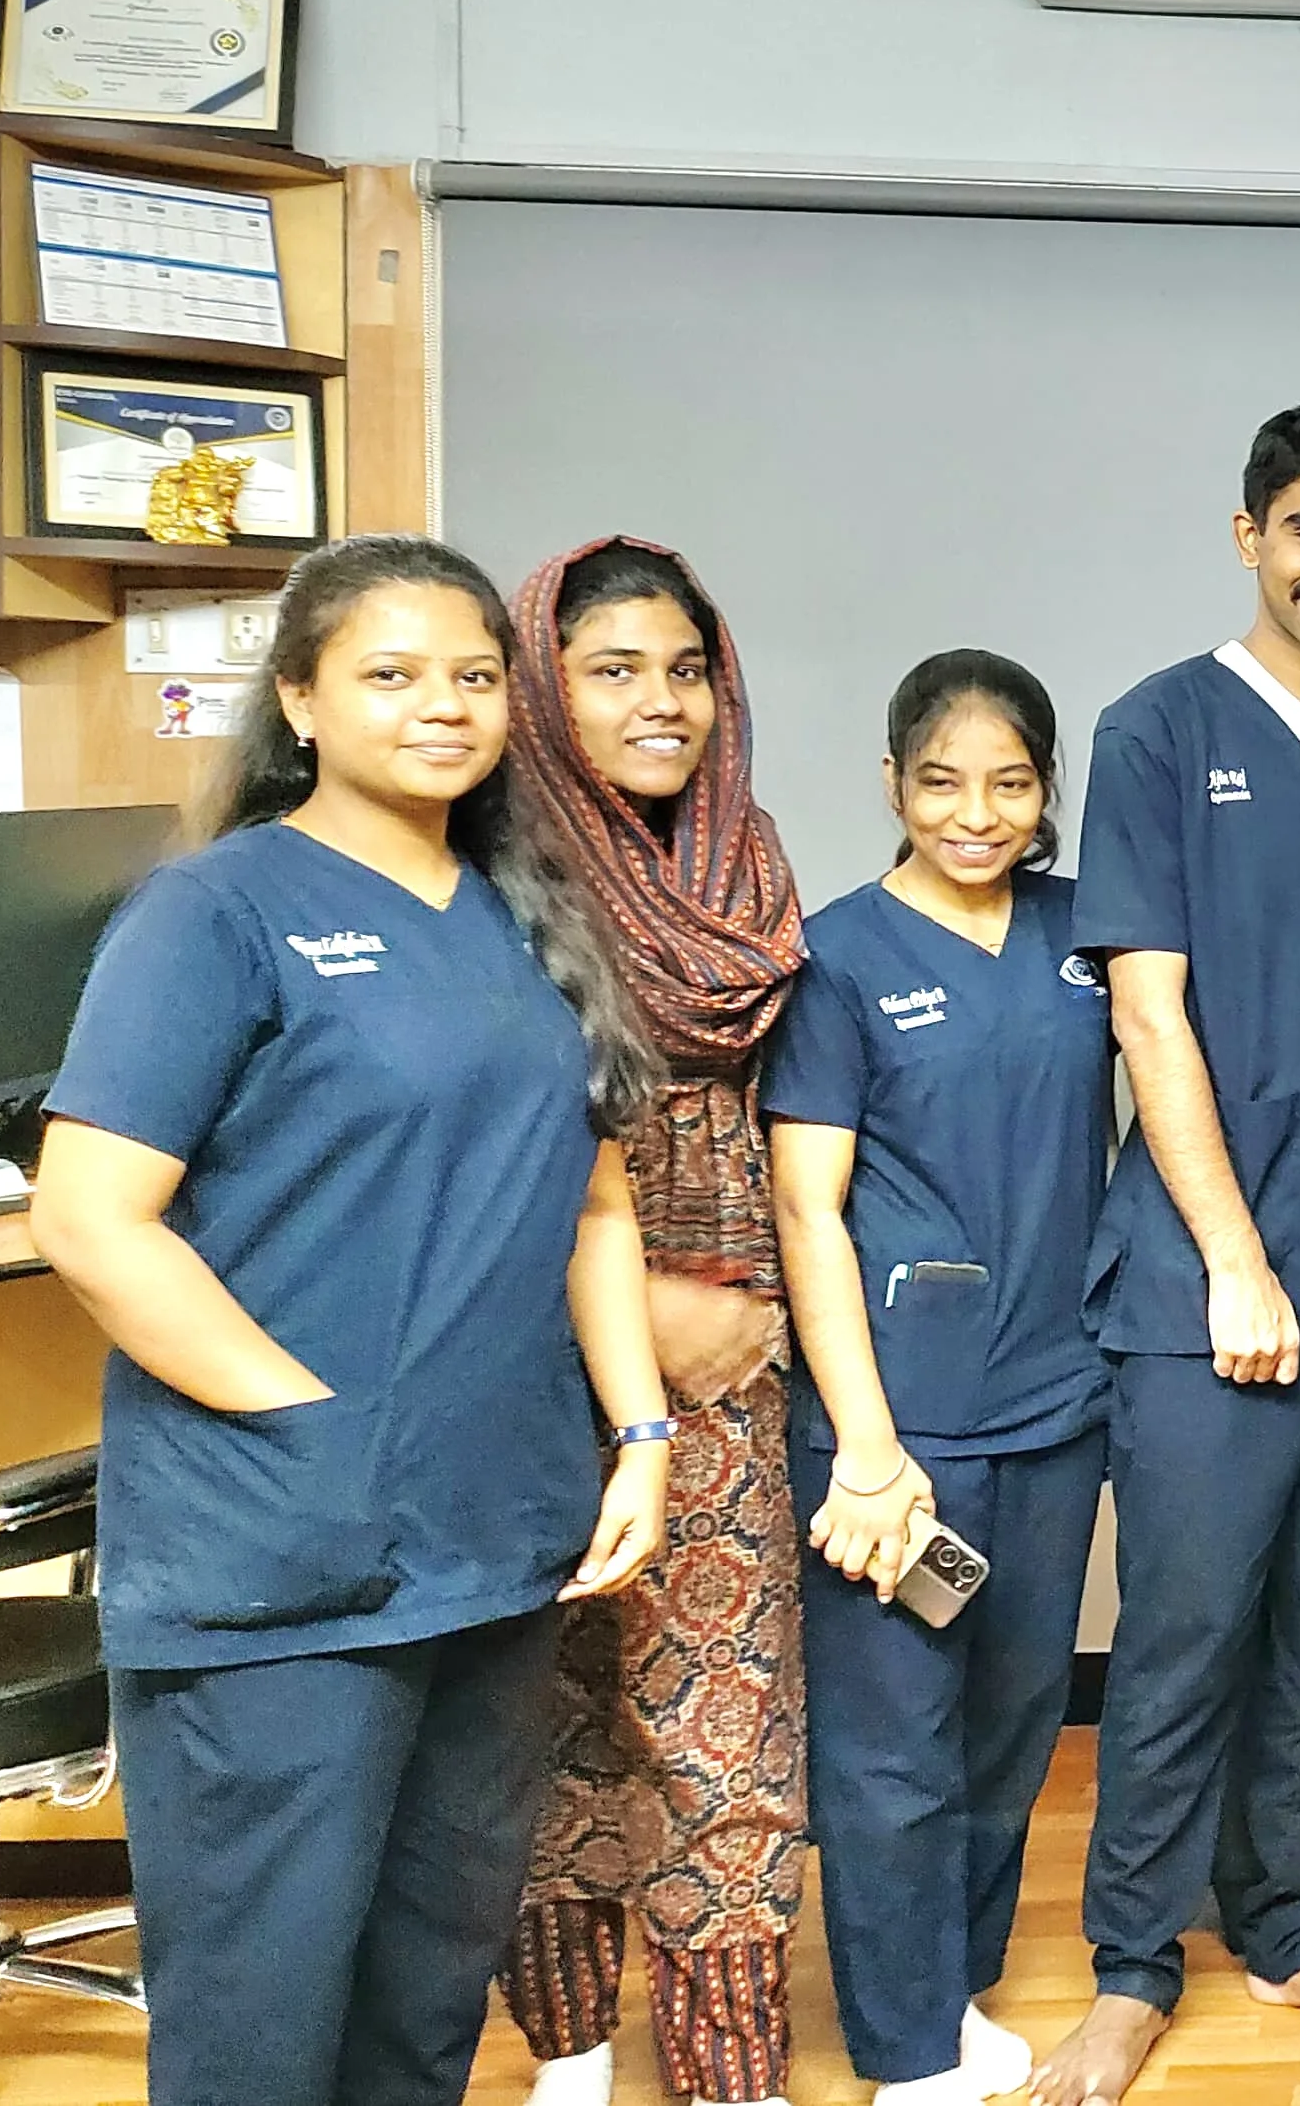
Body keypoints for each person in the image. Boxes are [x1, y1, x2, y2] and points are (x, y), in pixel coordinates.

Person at [28, 534, 673, 2106]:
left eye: (471, 676)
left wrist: (642, 1428)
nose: (441, 707)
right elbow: (89, 1221)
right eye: (390, 675)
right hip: (281, 1559)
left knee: (428, 1981)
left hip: (492, 1542)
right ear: (303, 700)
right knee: (263, 2006)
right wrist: (309, 1425)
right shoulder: (214, 916)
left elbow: (589, 1202)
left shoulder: (525, 912)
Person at [1038, 403, 1300, 2106]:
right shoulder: (1160, 732)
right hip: (1213, 1284)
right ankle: (1133, 1963)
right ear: (1249, 539)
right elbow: (1147, 1008)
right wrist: (1231, 1260)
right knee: (1188, 1633)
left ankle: (1294, 1924)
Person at [767, 652, 1112, 2106]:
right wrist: (864, 1444)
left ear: (1045, 792)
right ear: (894, 783)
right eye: (942, 781)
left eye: (1010, 782)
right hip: (897, 1421)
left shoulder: (1089, 935)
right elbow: (804, 1211)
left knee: (1012, 1719)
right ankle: (907, 2056)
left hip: (1055, 1399)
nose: (976, 813)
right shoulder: (836, 958)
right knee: (895, 1739)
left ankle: (953, 1990)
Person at [500, 538, 816, 2106]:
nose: (663, 703)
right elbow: (482, 1139)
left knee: (726, 1740)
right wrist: (640, 1307)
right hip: (527, 1348)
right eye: (614, 670)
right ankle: (567, 2061)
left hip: (732, 1353)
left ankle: (724, 2082)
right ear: (545, 687)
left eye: (686, 669)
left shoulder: (741, 857)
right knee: (545, 1724)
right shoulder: (485, 872)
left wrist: (738, 1312)